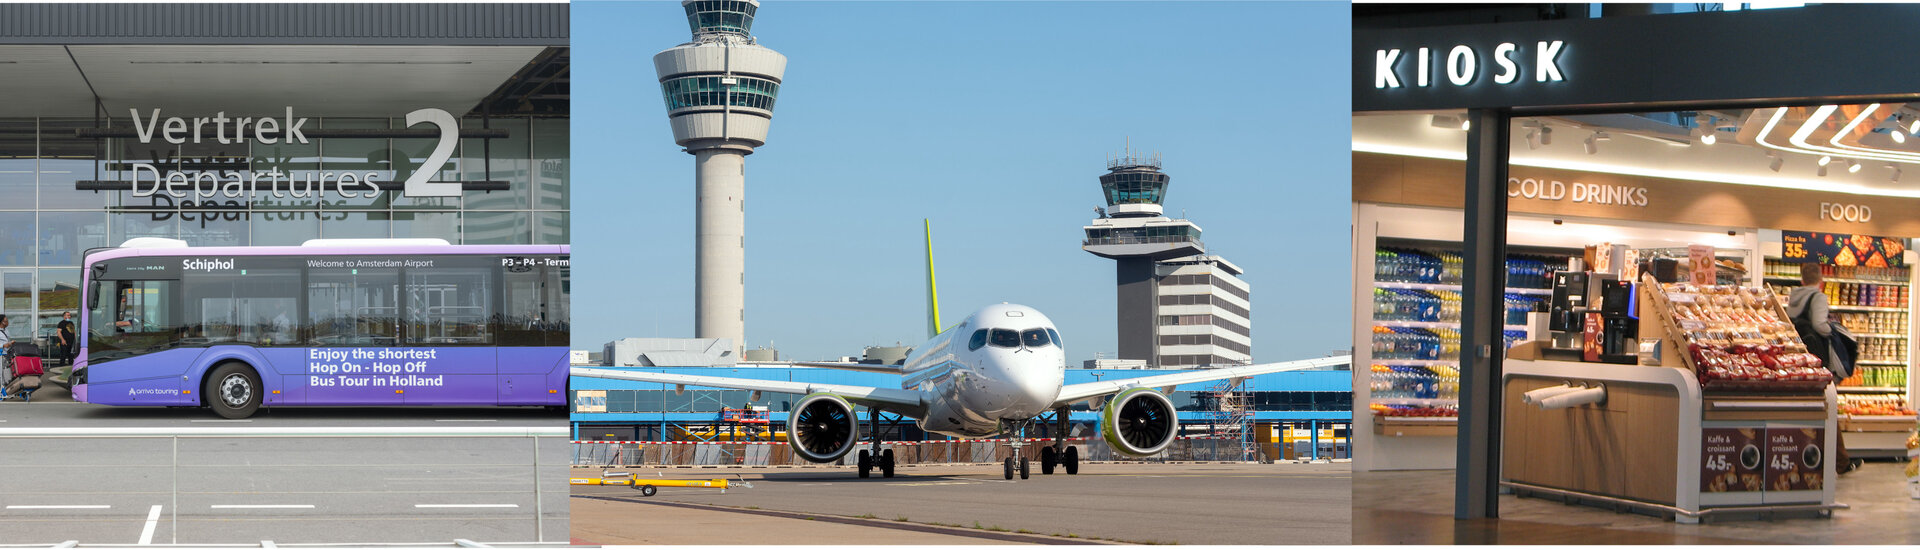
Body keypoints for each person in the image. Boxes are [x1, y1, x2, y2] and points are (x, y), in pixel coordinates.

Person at [1785, 263, 1854, 475]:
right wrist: (1834, 330)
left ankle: (1805, 453)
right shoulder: (1818, 297)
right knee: (1828, 405)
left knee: (1807, 406)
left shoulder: (1793, 297)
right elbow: (1819, 324)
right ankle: (1840, 462)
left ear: (1801, 280)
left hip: (1798, 358)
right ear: (1820, 282)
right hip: (1818, 359)